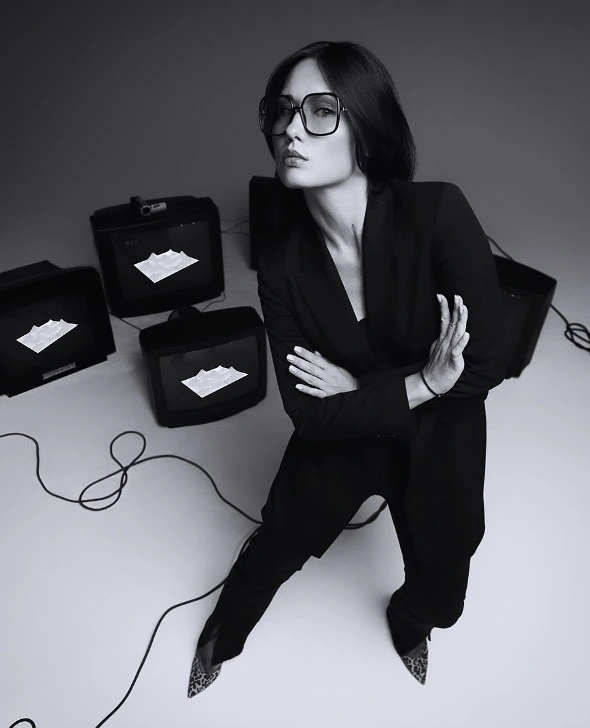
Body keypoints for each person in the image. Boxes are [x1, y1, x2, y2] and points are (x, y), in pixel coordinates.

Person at [187, 40, 506, 697]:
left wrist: (362, 387)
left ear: (366, 125)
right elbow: (310, 412)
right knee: (273, 548)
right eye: (282, 111)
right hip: (341, 444)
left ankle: (408, 621)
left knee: (444, 602)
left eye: (320, 110)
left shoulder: (437, 213)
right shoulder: (282, 260)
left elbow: (486, 362)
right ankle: (222, 637)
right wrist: (421, 381)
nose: (292, 129)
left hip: (438, 444)